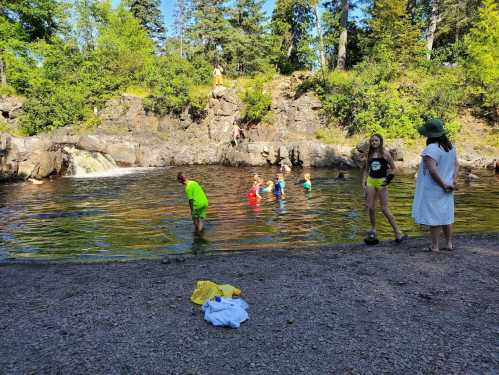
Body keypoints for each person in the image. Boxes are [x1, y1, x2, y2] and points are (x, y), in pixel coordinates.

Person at [412, 118, 458, 252]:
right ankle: (449, 244)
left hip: (434, 189)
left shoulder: (430, 149)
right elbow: (456, 165)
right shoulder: (451, 147)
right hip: (448, 187)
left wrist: (443, 185)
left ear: (430, 134)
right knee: (447, 216)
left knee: (434, 218)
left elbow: (432, 171)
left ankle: (435, 246)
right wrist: (453, 181)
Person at [362, 133, 406, 245]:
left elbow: (393, 169)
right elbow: (366, 170)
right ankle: (373, 229)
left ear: (380, 141)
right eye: (372, 141)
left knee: (384, 208)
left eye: (376, 140)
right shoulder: (369, 154)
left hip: (382, 181)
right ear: (370, 143)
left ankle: (398, 232)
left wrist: (387, 181)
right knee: (370, 207)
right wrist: (364, 182)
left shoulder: (385, 154)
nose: (374, 142)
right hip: (371, 181)